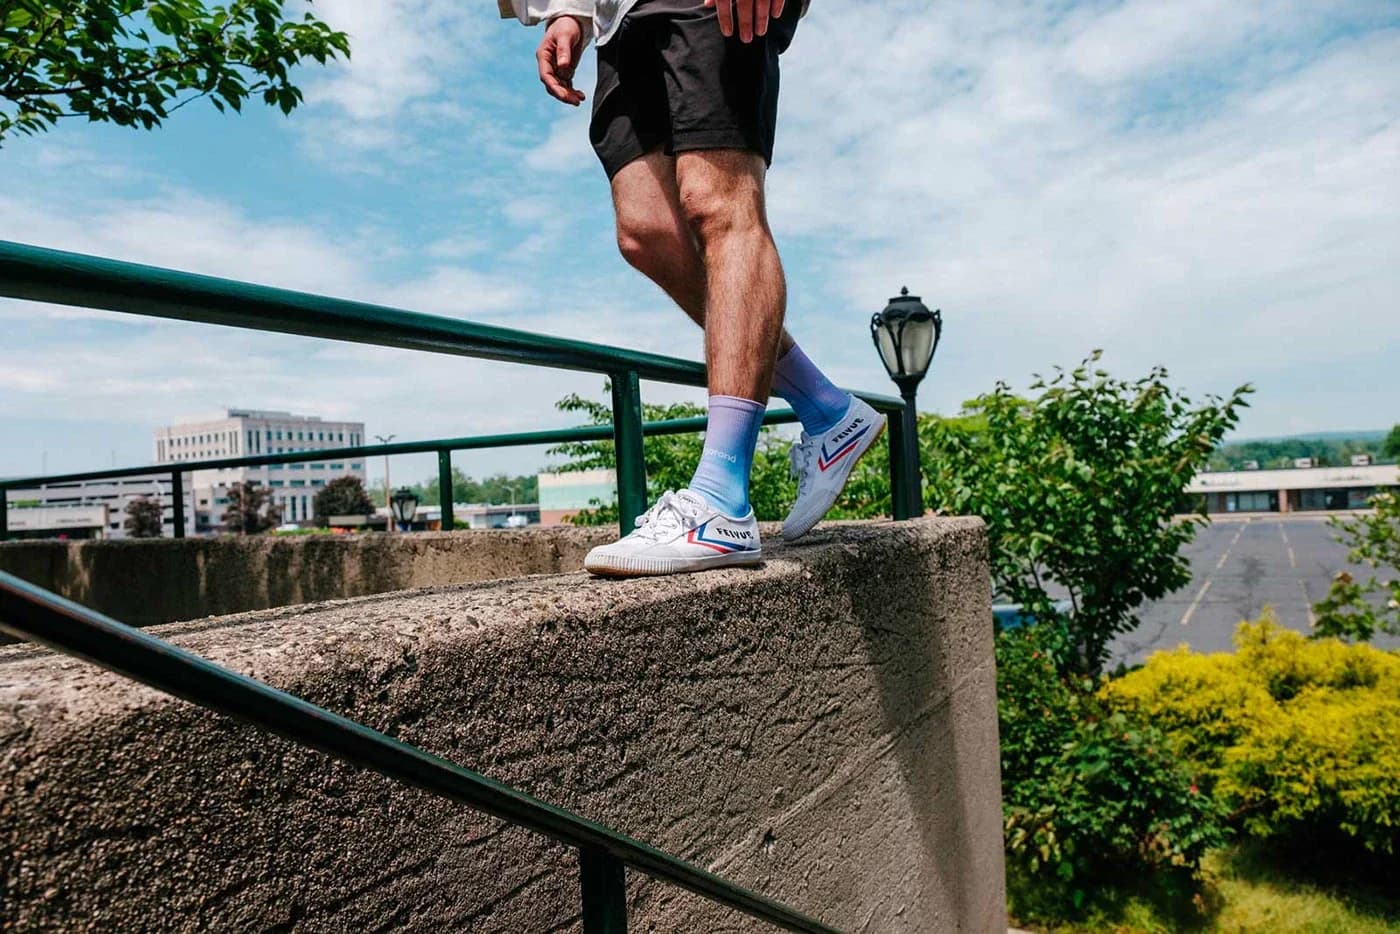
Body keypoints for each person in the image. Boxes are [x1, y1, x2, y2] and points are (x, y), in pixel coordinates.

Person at [500, 0, 885, 576]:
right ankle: (827, 408)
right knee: (645, 233)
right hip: (620, 16)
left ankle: (722, 499)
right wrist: (569, 12)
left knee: (720, 202)